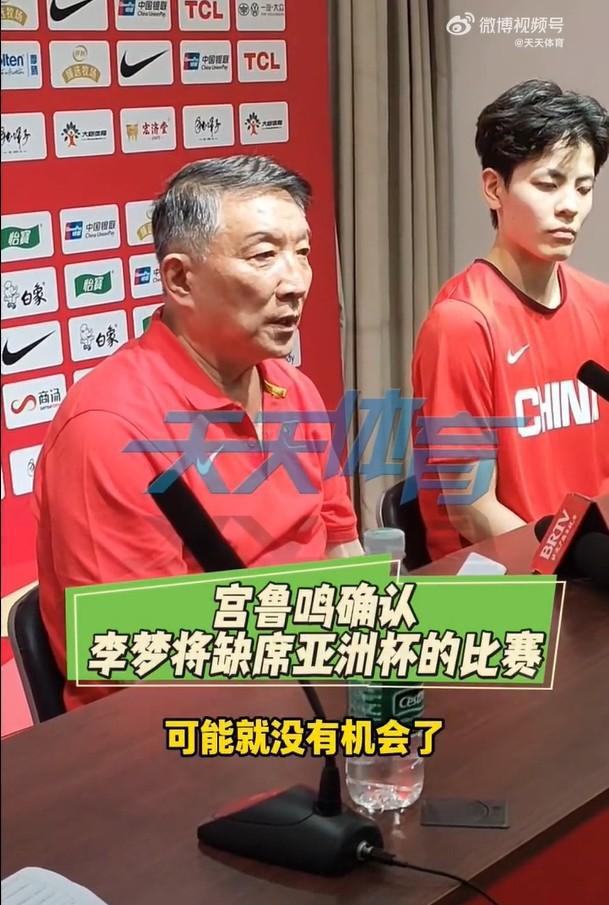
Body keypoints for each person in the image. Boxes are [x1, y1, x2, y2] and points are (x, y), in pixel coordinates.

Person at [34, 155, 362, 710]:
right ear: (180, 279)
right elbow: (142, 674)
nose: (296, 283)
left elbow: (341, 549)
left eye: (303, 253)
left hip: (315, 691)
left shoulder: (294, 389)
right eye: (264, 255)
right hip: (183, 729)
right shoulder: (109, 432)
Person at [412, 79, 609, 560]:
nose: (570, 206)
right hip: (503, 572)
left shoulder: (601, 306)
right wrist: (566, 565)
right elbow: (472, 510)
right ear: (493, 188)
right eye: (548, 184)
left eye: (584, 188)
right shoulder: (461, 323)